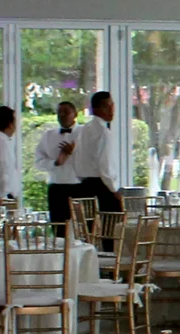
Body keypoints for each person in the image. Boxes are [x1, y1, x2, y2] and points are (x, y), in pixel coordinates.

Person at [69, 90, 121, 235]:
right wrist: (114, 189)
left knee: (87, 232)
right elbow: (105, 165)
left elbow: (76, 158)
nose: (111, 110)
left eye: (112, 105)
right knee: (111, 231)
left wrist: (82, 178)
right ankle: (110, 257)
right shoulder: (102, 132)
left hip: (85, 185)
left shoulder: (84, 129)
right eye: (106, 106)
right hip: (101, 186)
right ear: (96, 109)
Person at [37, 100, 80, 230]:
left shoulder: (85, 133)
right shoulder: (48, 136)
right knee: (58, 229)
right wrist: (55, 163)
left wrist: (73, 153)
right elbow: (38, 162)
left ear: (75, 114)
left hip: (80, 187)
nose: (62, 115)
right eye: (59, 112)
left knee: (82, 228)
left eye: (66, 112)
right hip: (56, 188)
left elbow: (94, 161)